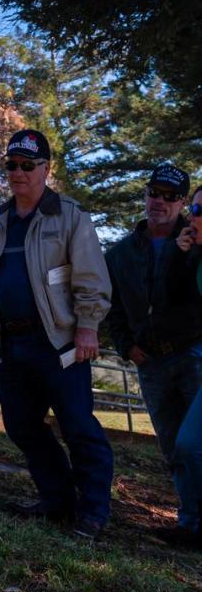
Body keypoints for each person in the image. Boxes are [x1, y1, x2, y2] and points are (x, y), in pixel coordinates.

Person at [0, 129, 114, 539]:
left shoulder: (69, 216)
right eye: (11, 165)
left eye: (27, 166)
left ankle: (94, 512)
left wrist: (87, 327)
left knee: (78, 426)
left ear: (46, 169)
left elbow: (92, 279)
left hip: (60, 343)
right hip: (10, 344)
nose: (18, 173)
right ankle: (57, 500)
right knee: (20, 425)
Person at [106, 164, 202, 546]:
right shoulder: (121, 253)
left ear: (182, 202)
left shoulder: (194, 241)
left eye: (169, 196)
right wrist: (125, 345)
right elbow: (112, 306)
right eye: (153, 193)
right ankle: (191, 523)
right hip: (152, 363)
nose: (158, 201)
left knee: (194, 444)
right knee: (173, 447)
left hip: (193, 354)